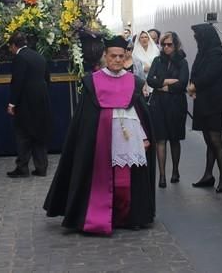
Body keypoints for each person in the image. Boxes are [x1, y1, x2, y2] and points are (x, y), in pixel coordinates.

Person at [44, 36, 155, 235]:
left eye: (121, 56)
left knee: (126, 180)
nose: (118, 60)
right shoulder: (92, 82)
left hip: (127, 141)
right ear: (105, 56)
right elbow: (84, 118)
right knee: (97, 179)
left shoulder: (134, 82)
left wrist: (144, 136)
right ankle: (98, 216)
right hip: (99, 141)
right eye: (113, 56)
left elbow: (139, 113)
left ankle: (129, 216)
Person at [188, 23, 222, 193]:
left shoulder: (217, 53)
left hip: (215, 103)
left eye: (197, 35)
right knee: (208, 140)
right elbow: (196, 71)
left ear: (205, 36)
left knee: (216, 140)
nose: (195, 38)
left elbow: (211, 75)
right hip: (203, 101)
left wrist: (195, 86)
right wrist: (191, 84)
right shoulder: (203, 52)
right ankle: (208, 175)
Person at [6, 32, 53, 178]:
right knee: (39, 133)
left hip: (26, 102)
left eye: (10, 47)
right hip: (41, 100)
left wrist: (12, 103)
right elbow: (47, 78)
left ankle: (22, 168)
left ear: (14, 45)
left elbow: (17, 82)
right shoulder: (39, 56)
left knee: (23, 134)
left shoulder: (20, 58)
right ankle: (41, 167)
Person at [147, 32, 189, 188]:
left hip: (176, 105)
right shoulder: (157, 61)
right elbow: (150, 80)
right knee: (160, 139)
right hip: (158, 105)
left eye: (169, 44)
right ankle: (162, 175)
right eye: (163, 44)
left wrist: (164, 86)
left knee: (175, 139)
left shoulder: (182, 62)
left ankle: (175, 171)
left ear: (175, 45)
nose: (166, 47)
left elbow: (183, 83)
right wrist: (168, 82)